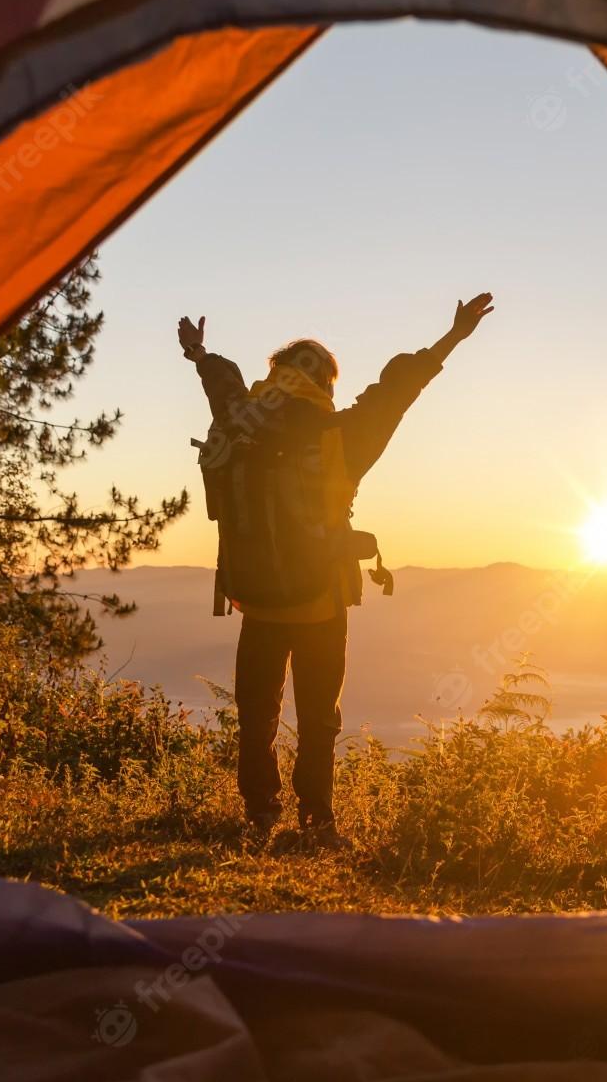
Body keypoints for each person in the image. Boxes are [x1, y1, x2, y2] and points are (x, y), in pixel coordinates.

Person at [177, 293, 494, 847]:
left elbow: (222, 383)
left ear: (273, 376)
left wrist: (199, 352)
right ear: (325, 384)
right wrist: (453, 337)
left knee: (257, 712)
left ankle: (259, 815)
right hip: (320, 601)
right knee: (319, 718)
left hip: (255, 598)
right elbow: (398, 390)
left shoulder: (239, 424)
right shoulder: (344, 436)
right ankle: (317, 823)